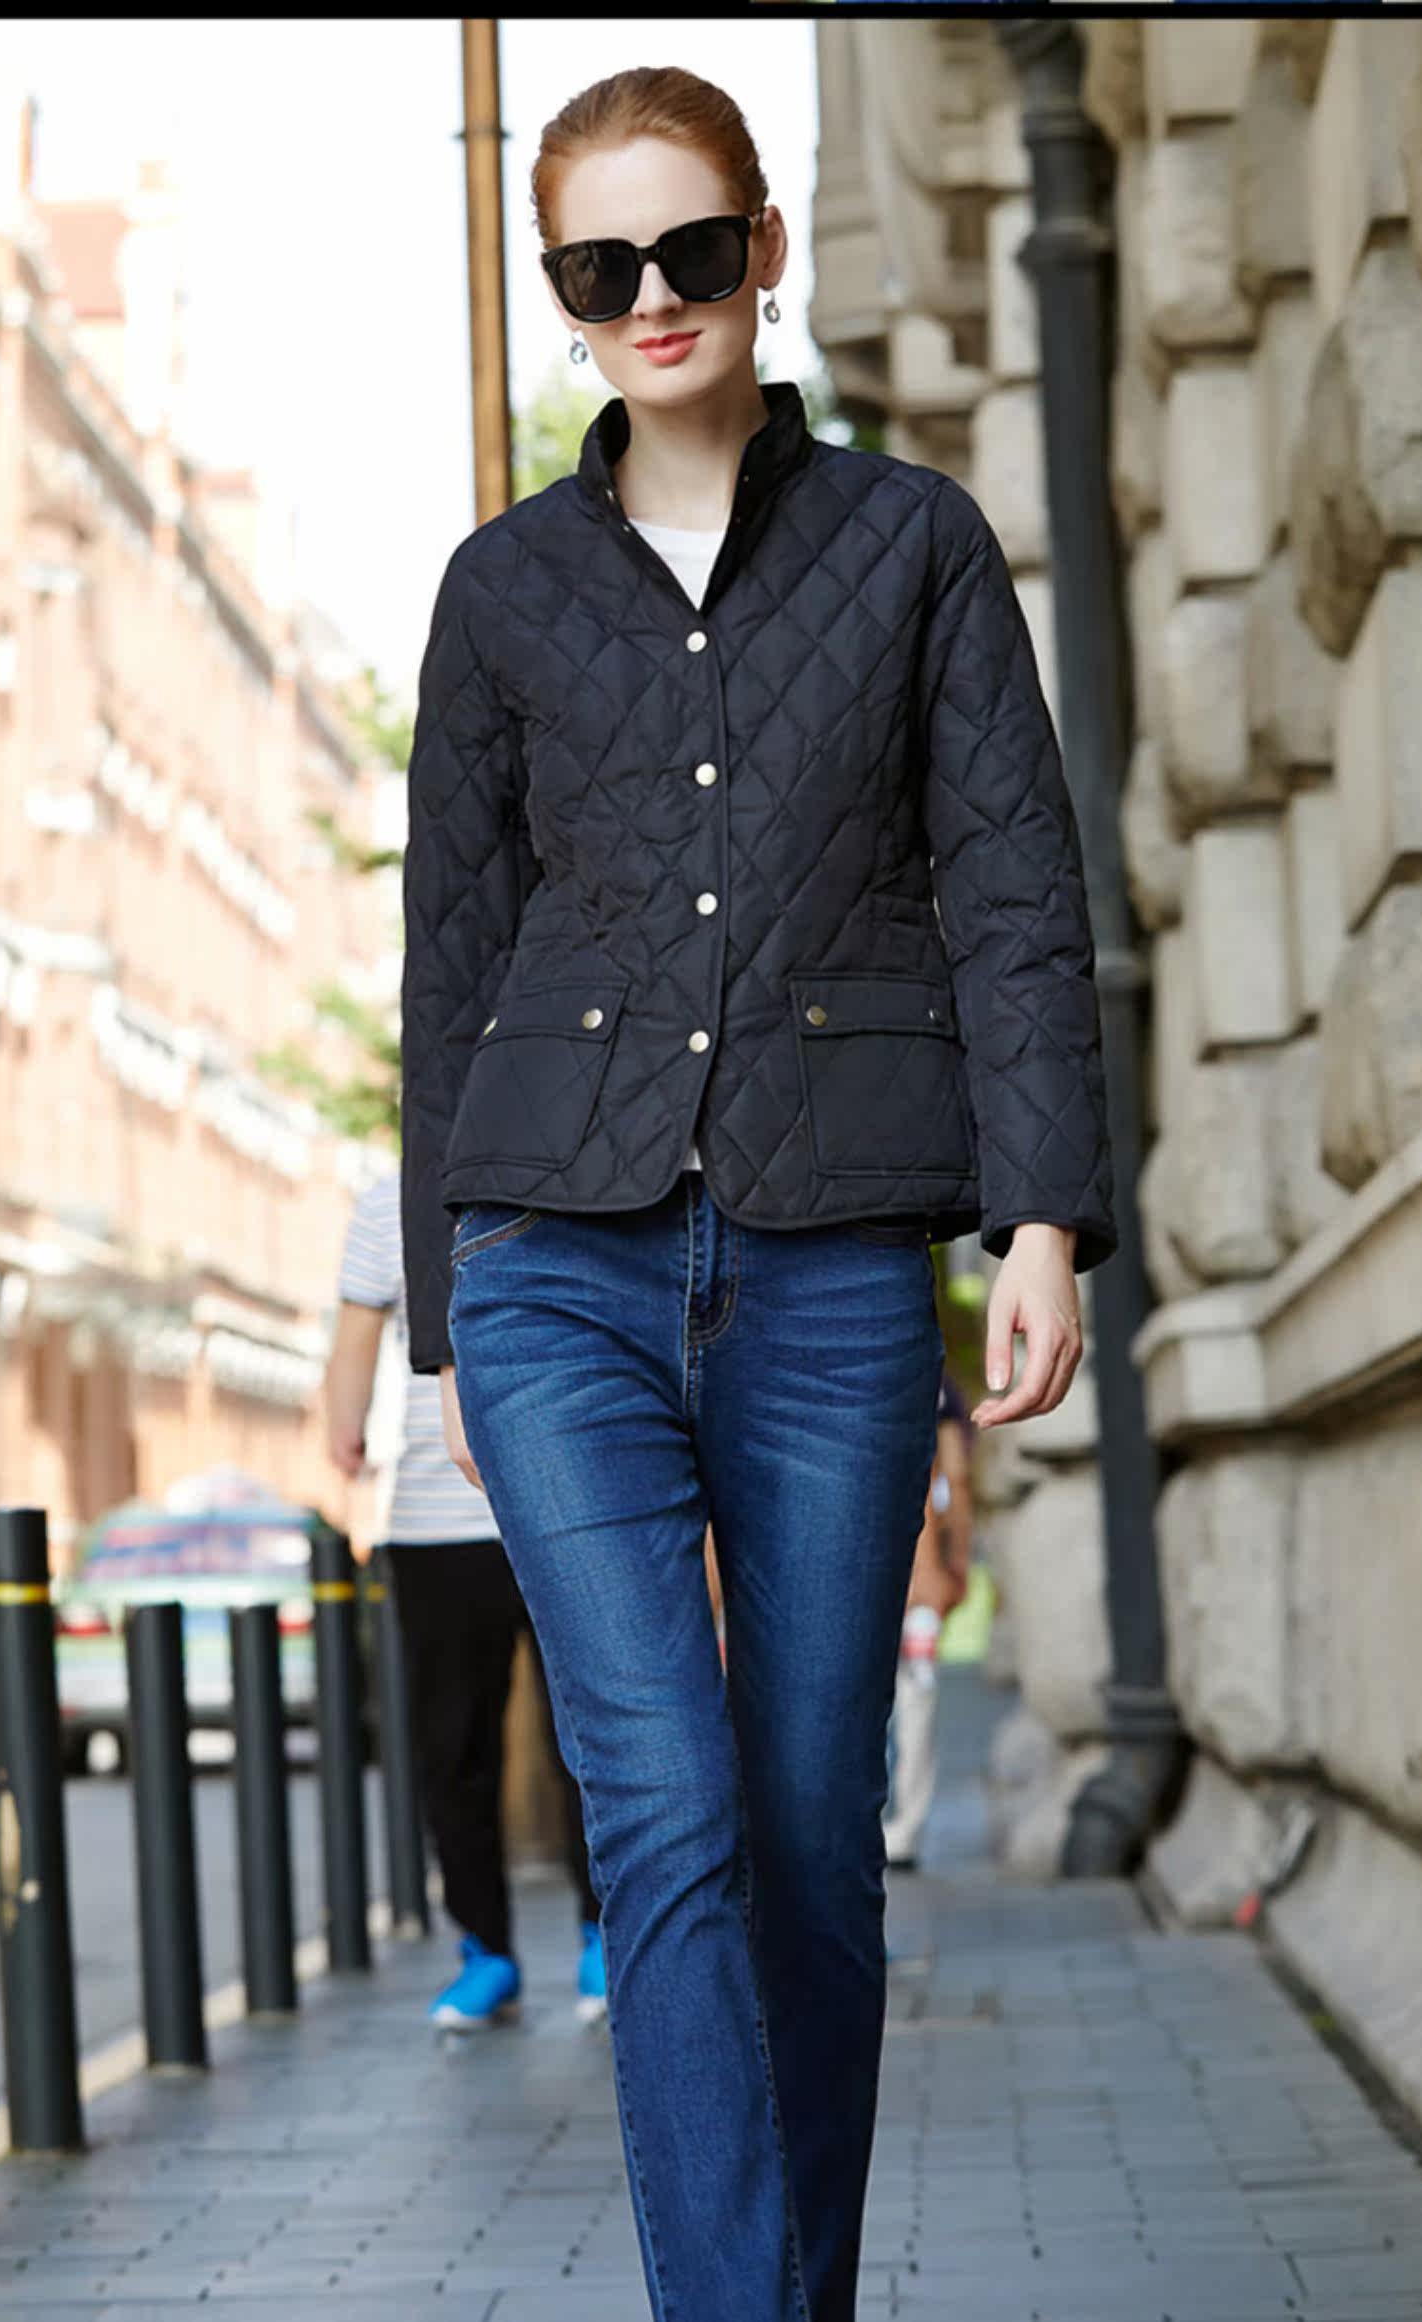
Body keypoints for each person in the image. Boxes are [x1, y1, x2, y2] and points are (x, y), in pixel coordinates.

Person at [399, 65, 1117, 2322]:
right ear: (563, 294)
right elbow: (449, 956)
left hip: (830, 1273)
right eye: (599, 267)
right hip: (555, 1265)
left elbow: (1017, 894)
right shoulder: (501, 590)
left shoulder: (914, 548)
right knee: (669, 1819)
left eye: (691, 248)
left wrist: (1041, 1219)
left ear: (765, 247)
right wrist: (440, 1318)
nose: (654, 298)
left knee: (812, 1841)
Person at [324, 1165, 605, 2030]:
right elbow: (356, 1337)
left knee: (572, 1737)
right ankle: (500, 1950)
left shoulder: (555, 1168)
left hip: (556, 1502)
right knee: (468, 1743)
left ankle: (592, 1937)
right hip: (449, 1519)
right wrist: (343, 1428)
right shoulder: (393, 1199)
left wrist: (343, 1438)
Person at [883, 1371, 975, 1872]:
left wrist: (947, 1568)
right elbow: (956, 1481)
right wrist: (953, 1565)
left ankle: (898, 1827)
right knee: (914, 1698)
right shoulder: (938, 1388)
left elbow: (954, 1479)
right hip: (915, 1576)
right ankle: (902, 1828)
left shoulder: (937, 1391)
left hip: (907, 1576)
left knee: (905, 1696)